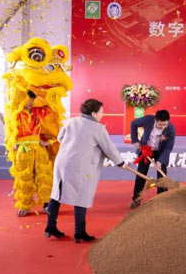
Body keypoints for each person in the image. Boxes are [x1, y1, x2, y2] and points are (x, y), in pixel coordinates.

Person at [45, 99, 126, 242]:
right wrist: (120, 162)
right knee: (81, 197)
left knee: (57, 194)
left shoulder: (71, 121)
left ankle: (50, 227)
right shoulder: (99, 129)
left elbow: (60, 137)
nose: (103, 114)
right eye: (101, 112)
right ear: (93, 113)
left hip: (62, 162)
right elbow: (109, 148)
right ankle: (80, 233)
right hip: (80, 166)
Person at [10, 90, 54, 217]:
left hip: (39, 148)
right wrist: (13, 142)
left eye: (32, 101)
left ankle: (47, 204)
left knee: (44, 175)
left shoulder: (37, 112)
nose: (30, 103)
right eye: (28, 100)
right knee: (25, 177)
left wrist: (47, 142)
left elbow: (51, 107)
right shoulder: (15, 115)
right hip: (23, 150)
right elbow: (10, 132)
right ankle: (25, 205)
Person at [129, 109, 176, 209]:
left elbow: (168, 147)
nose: (163, 127)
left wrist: (160, 161)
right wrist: (135, 140)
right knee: (141, 174)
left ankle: (161, 200)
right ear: (156, 120)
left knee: (162, 176)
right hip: (146, 149)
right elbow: (133, 124)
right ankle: (136, 199)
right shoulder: (148, 120)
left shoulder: (170, 128)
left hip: (161, 152)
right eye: (160, 125)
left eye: (165, 124)